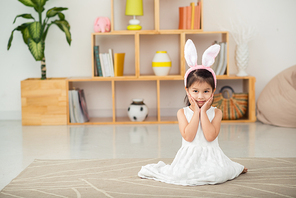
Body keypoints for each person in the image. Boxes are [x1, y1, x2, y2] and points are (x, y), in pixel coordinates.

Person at [138, 39, 247, 186]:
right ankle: (231, 168)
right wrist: (196, 112)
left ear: (213, 91)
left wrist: (203, 113)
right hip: (188, 156)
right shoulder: (182, 113)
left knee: (217, 175)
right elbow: (189, 137)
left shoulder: (217, 113)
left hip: (211, 156)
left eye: (206, 91)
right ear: (187, 90)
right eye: (195, 91)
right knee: (179, 175)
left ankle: (234, 168)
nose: (200, 96)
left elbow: (209, 137)